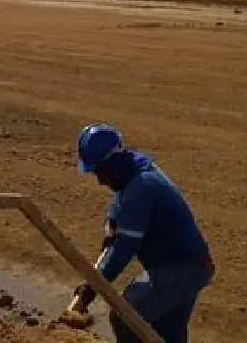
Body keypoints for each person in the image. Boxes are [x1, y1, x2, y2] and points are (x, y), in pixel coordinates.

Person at [71, 123, 216, 343]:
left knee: (126, 318)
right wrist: (111, 224)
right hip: (190, 265)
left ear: (113, 162)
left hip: (182, 269)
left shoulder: (141, 187)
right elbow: (119, 206)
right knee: (167, 330)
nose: (100, 181)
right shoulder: (134, 170)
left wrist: (94, 286)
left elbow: (124, 250)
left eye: (100, 171)